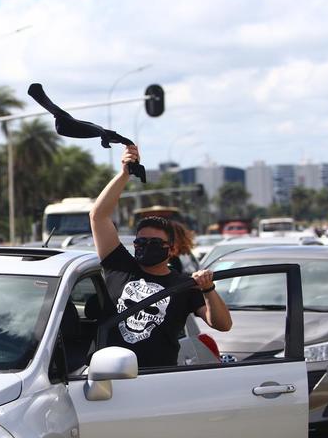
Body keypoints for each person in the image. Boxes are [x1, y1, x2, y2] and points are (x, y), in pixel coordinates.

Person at [88, 145, 232, 367]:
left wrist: (208, 289)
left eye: (155, 243)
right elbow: (98, 216)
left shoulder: (183, 284)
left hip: (158, 382)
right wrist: (125, 174)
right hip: (108, 379)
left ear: (171, 249)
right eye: (140, 242)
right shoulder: (119, 266)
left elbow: (222, 324)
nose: (146, 247)